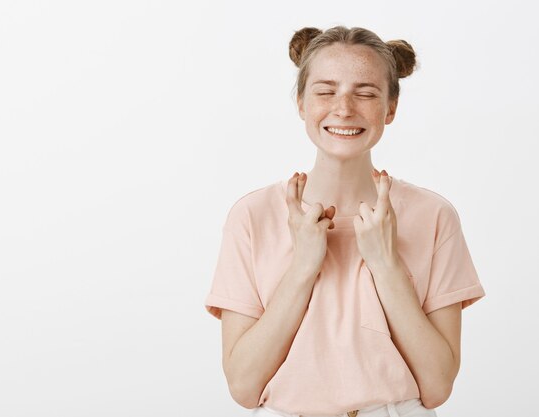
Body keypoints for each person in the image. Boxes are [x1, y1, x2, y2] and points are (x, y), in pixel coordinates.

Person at [203, 25, 486, 417]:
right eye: (325, 90)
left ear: (390, 108)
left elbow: (437, 386)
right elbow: (243, 386)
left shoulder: (434, 216)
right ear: (301, 102)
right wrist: (303, 266)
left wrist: (386, 264)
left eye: (366, 93)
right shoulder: (251, 217)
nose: (344, 108)